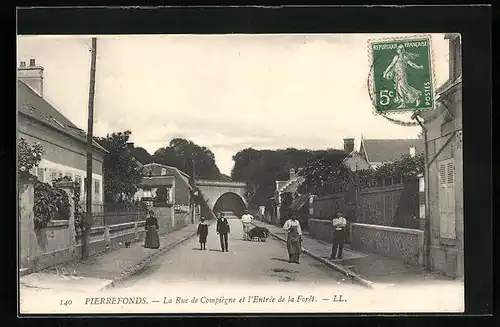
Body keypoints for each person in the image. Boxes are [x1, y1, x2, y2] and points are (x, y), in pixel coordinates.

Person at [382, 44, 424, 109]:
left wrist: (418, 67)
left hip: (402, 75)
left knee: (405, 87)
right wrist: (386, 72)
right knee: (399, 89)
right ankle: (403, 103)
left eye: (400, 49)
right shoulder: (396, 57)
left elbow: (412, 64)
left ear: (402, 50)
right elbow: (391, 65)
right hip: (397, 75)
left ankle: (416, 98)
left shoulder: (404, 57)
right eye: (398, 49)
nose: (398, 50)